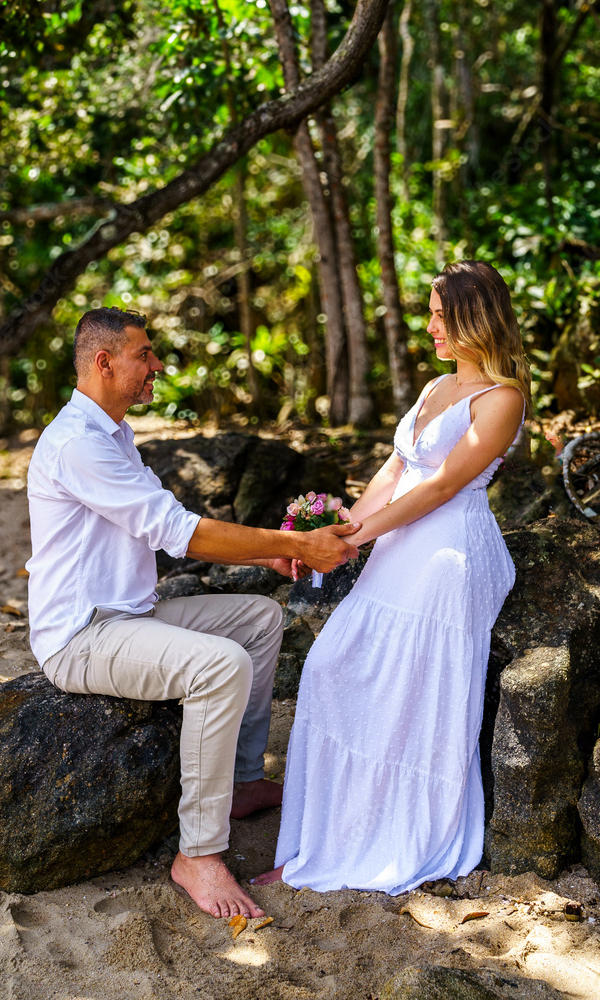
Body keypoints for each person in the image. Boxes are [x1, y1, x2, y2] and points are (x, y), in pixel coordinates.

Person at [26, 306, 361, 919]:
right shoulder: (78, 445)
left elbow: (175, 525)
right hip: (80, 635)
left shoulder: (113, 433)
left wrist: (275, 555)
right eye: (144, 354)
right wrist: (291, 544)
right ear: (104, 362)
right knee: (220, 665)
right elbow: (176, 532)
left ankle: (237, 781)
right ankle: (198, 855)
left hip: (129, 618)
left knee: (259, 621)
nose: (156, 365)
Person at [255, 260, 530, 894]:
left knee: (408, 693)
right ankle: (323, 839)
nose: (430, 325)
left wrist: (361, 538)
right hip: (397, 544)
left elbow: (442, 484)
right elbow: (395, 470)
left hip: (446, 558)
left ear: (475, 315)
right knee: (329, 668)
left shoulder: (502, 398)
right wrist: (344, 528)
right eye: (431, 312)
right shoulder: (435, 388)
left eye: (441, 313)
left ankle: (385, 840)